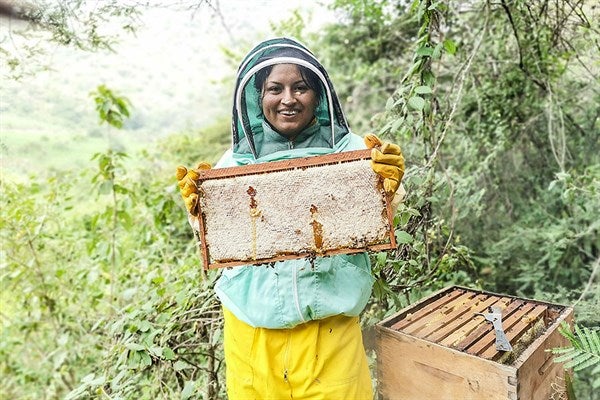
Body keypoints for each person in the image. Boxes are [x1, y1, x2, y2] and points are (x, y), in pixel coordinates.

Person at [176, 37, 405, 399]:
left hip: (329, 332)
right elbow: (215, 240)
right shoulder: (234, 163)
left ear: (317, 94)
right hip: (252, 332)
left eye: (300, 87)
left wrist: (389, 186)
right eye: (274, 88)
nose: (288, 99)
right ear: (257, 96)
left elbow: (383, 219)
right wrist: (198, 208)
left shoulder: (354, 150)